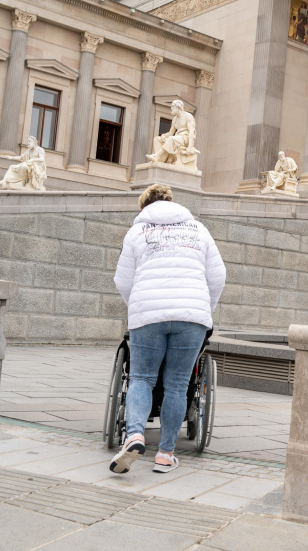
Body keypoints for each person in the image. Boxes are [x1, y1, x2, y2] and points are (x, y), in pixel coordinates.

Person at [110, 184, 226, 474]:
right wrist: (204, 309)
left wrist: (138, 305)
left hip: (148, 312)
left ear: (144, 206)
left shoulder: (137, 232)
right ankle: (165, 454)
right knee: (177, 384)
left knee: (140, 378)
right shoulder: (199, 230)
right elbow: (218, 276)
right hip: (192, 314)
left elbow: (122, 280)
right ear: (172, 202)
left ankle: (134, 435)